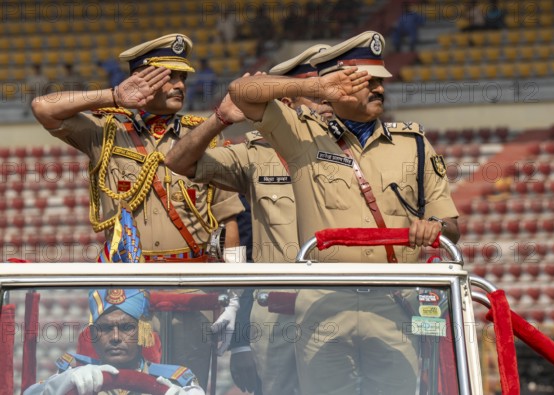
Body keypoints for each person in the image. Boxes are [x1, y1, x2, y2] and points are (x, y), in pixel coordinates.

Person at [228, 31, 460, 395]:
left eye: (381, 82)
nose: (380, 89)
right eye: (368, 82)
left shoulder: (414, 145)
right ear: (341, 84)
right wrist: (321, 88)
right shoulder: (300, 136)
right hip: (323, 302)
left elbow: (451, 226)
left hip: (392, 302)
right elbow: (242, 93)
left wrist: (434, 227)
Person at [31, 33, 245, 386]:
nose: (180, 85)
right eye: (170, 77)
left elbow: (228, 221)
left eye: (183, 78)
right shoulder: (106, 132)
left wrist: (234, 293)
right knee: (127, 387)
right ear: (144, 79)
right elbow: (43, 107)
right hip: (127, 298)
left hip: (190, 292)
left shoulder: (204, 136)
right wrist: (113, 95)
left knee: (187, 386)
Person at [165, 44, 333, 395]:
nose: (327, 105)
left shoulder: (353, 151)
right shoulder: (255, 157)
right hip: (276, 315)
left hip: (340, 306)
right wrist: (241, 338)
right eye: (317, 97)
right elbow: (243, 253)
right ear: (287, 102)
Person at [24, 288, 205, 395]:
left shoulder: (174, 380)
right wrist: (62, 383)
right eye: (105, 329)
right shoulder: (74, 372)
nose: (116, 337)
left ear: (143, 332)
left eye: (126, 328)